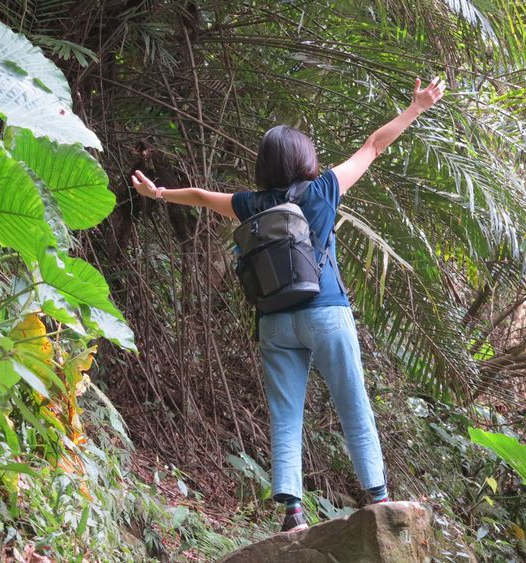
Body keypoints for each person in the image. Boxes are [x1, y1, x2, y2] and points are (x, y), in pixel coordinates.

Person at [130, 77, 445, 533]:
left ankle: (292, 514)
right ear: (305, 159)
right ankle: (378, 497)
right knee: (352, 402)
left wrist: (157, 193)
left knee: (285, 415)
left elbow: (198, 196)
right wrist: (416, 107)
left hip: (275, 321)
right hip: (326, 313)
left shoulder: (249, 203)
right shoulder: (323, 191)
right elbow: (373, 146)